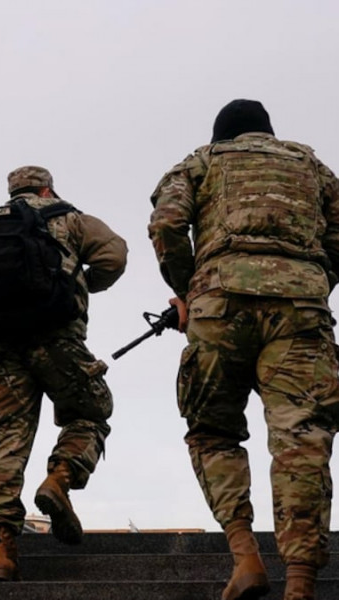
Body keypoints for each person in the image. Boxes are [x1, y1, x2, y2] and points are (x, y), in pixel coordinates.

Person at [148, 99, 339, 600]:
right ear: (269, 134)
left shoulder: (202, 160)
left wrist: (188, 288)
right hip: (301, 308)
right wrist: (316, 279)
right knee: (302, 438)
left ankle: (246, 557)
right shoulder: (313, 167)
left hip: (218, 306)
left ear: (224, 135)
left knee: (212, 430)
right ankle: (300, 581)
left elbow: (167, 223)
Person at [0, 165, 127, 581]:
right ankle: (60, 478)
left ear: (11, 194)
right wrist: (80, 284)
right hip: (58, 340)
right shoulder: (70, 219)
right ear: (48, 187)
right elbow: (114, 255)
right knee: (91, 413)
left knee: (5, 442)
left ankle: (1, 552)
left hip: (1, 351)